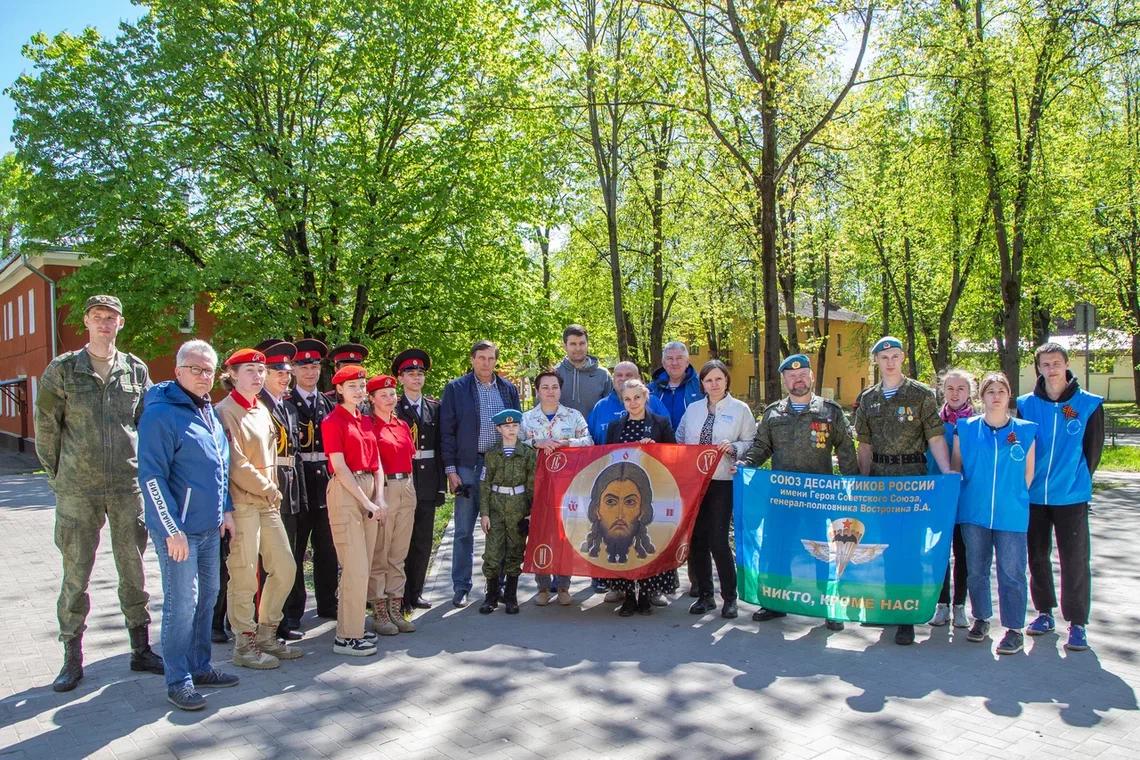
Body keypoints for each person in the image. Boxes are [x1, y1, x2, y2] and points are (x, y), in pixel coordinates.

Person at [35, 294, 163, 693]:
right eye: (97, 317)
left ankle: (140, 649)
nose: (104, 323)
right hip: (77, 489)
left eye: (111, 317)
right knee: (76, 573)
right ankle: (72, 658)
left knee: (134, 568)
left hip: (127, 486)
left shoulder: (136, 370)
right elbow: (45, 427)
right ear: (86, 322)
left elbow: (148, 425)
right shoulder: (63, 369)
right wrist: (58, 476)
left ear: (120, 323)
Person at [138, 340, 239, 711]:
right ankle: (178, 679)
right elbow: (152, 477)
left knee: (207, 599)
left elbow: (219, 467)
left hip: (210, 528)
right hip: (178, 533)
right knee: (181, 605)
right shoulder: (161, 413)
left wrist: (226, 510)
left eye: (209, 370)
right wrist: (171, 529)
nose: (202, 376)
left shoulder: (207, 409)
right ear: (178, 370)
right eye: (195, 369)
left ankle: (200, 665)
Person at [741, 354, 858, 630]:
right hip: (782, 497)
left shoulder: (830, 411)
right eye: (792, 376)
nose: (798, 379)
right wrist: (744, 466)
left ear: (812, 377)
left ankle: (828, 605)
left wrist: (855, 485)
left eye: (803, 374)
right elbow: (761, 447)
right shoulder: (773, 413)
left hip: (819, 498)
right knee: (777, 549)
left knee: (822, 551)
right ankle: (774, 601)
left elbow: (845, 449)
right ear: (784, 380)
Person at [853, 336, 952, 646]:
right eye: (884, 358)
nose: (890, 362)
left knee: (909, 549)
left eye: (895, 356)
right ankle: (888, 606)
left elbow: (935, 437)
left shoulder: (921, 394)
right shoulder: (868, 399)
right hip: (881, 480)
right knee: (884, 547)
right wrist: (862, 480)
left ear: (903, 357)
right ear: (876, 362)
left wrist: (947, 471)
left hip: (911, 480)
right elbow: (865, 444)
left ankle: (907, 615)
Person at [215, 348, 303, 668]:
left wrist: (270, 489)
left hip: (267, 502)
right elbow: (235, 463)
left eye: (261, 371)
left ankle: (267, 632)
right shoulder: (225, 411)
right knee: (243, 576)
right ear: (233, 376)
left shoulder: (262, 409)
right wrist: (269, 488)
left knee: (285, 567)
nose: (258, 376)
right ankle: (244, 643)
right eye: (250, 370)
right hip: (243, 504)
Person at [1017, 342, 1105, 652]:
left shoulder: (1089, 404)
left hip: (1071, 497)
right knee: (1037, 557)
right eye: (1045, 364)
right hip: (1035, 497)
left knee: (1075, 560)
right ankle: (1044, 613)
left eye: (1056, 362)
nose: (1051, 368)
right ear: (1038, 368)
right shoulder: (1025, 404)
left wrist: (1076, 480)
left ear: (1066, 364)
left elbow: (1092, 451)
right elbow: (1019, 446)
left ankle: (1077, 623)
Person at [952, 372, 1037, 655]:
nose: (996, 396)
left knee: (1012, 571)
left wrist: (1010, 498)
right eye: (990, 391)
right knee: (976, 570)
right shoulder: (965, 429)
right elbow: (956, 470)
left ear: (1009, 395)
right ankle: (981, 618)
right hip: (973, 513)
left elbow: (1028, 474)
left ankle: (1014, 629)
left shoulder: (1025, 431)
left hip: (1011, 514)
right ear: (982, 397)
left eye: (1001, 390)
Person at [440, 340, 522, 607]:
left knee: (499, 527)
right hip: (467, 465)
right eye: (481, 358)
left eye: (491, 358)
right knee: (464, 529)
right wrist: (451, 471)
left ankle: (496, 585)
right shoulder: (456, 389)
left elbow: (516, 427)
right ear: (472, 359)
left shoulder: (507, 389)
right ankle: (461, 586)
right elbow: (447, 431)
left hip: (499, 466)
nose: (486, 363)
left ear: (496, 360)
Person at [676, 360, 757, 619]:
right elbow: (680, 438)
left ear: (726, 381)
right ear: (702, 384)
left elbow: (751, 441)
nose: (714, 384)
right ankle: (705, 596)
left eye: (718, 379)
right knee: (697, 539)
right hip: (695, 483)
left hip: (722, 481)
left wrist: (734, 448)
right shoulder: (693, 409)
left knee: (719, 540)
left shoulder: (740, 409)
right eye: (708, 380)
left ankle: (730, 598)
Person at [322, 366, 385, 656]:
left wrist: (380, 498)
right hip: (348, 493)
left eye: (361, 386)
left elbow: (378, 463)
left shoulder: (366, 420)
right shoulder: (333, 421)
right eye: (352, 387)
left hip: (370, 488)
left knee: (365, 565)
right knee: (355, 567)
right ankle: (346, 636)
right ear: (339, 390)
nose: (359, 391)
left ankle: (356, 628)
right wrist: (366, 501)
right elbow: (339, 466)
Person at [605, 379, 678, 616]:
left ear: (646, 397)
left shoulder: (660, 423)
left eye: (637, 397)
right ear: (622, 400)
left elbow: (675, 457)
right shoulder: (615, 427)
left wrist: (656, 450)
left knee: (648, 541)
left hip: (653, 491)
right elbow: (604, 459)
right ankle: (627, 596)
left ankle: (646, 593)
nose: (633, 402)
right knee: (623, 539)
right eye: (627, 398)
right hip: (622, 493)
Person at [521, 370, 592, 606]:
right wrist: (536, 442)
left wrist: (566, 443)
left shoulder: (573, 416)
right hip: (537, 485)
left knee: (564, 534)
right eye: (545, 387)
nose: (550, 391)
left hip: (567, 486)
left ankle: (563, 586)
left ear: (560, 390)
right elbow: (517, 444)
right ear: (537, 391)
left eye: (554, 387)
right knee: (541, 532)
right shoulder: (527, 418)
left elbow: (589, 441)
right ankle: (542, 587)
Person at [255, 340, 307, 641]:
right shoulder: (258, 405)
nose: (284, 377)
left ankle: (283, 617)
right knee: (268, 561)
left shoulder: (286, 406)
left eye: (287, 372)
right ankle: (265, 621)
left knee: (288, 556)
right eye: (277, 371)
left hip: (289, 485)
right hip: (268, 485)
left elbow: (295, 453)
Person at [287, 339, 339, 622]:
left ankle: (328, 604)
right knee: (295, 551)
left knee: (327, 549)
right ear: (293, 369)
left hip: (326, 487)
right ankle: (293, 610)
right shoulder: (285, 404)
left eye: (315, 365)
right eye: (303, 365)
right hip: (297, 486)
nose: (310, 371)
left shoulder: (329, 404)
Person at [393, 349, 447, 615]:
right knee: (401, 540)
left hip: (426, 482)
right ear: (400, 378)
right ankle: (399, 594)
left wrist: (440, 485)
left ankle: (417, 591)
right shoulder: (392, 407)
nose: (416, 378)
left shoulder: (435, 408)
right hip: (402, 479)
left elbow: (440, 447)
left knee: (423, 541)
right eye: (410, 374)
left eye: (420, 373)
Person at [365, 374, 418, 636]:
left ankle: (396, 607)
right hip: (383, 489)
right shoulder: (368, 425)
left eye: (391, 394)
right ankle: (380, 610)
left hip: (406, 487)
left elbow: (410, 455)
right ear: (371, 398)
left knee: (399, 551)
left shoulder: (402, 425)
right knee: (380, 552)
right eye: (382, 394)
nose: (389, 398)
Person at [928, 369, 975, 629]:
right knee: (940, 553)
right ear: (942, 391)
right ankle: (942, 604)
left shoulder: (978, 423)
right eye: (950, 388)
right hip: (939, 499)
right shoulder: (933, 422)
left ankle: (960, 606)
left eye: (961, 389)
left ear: (970, 393)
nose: (955, 393)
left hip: (967, 498)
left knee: (963, 552)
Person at [478, 409, 537, 615]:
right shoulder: (492, 454)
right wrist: (484, 513)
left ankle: (511, 596)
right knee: (493, 553)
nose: (511, 430)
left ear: (519, 427)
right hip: (496, 507)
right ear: (499, 429)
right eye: (506, 426)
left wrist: (530, 514)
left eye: (514, 426)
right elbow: (484, 484)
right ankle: (491, 595)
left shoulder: (528, 454)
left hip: (518, 507)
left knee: (515, 551)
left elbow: (532, 486)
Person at [587, 361, 669, 445]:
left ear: (638, 378)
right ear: (613, 379)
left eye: (629, 375)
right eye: (619, 375)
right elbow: (590, 441)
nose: (623, 378)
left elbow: (669, 443)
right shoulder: (600, 406)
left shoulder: (654, 402)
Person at [554, 324, 612, 418]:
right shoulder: (555, 374)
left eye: (582, 343)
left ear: (587, 344)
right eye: (573, 344)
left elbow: (611, 409)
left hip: (593, 432)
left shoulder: (603, 375)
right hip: (560, 432)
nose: (578, 348)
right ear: (565, 346)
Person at [650, 341, 705, 430]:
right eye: (670, 358)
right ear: (663, 364)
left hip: (691, 442)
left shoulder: (702, 386)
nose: (674, 363)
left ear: (687, 362)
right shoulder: (651, 390)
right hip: (660, 442)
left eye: (679, 358)